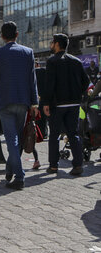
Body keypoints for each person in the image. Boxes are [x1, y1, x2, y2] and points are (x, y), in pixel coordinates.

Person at [0, 21, 39, 190]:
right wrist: (34, 102)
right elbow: (32, 80)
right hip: (23, 102)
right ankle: (10, 170)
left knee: (12, 140)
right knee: (16, 140)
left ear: (2, 36)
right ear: (17, 35)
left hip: (5, 102)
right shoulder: (27, 52)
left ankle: (20, 176)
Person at [43, 33, 89, 176]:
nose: (51, 44)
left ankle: (53, 166)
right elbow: (86, 82)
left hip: (58, 105)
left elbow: (49, 84)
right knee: (73, 134)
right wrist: (78, 95)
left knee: (54, 135)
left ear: (57, 44)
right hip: (74, 104)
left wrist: (46, 103)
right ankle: (77, 165)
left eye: (52, 42)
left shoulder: (52, 61)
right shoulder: (76, 61)